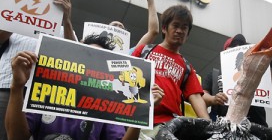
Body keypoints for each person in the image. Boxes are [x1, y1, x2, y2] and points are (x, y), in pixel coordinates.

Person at [5, 34, 164, 139]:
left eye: (98, 61)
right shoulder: (46, 92)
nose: (90, 65)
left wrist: (144, 111)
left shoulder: (109, 107)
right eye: (86, 56)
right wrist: (17, 87)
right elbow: (16, 137)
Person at [0, 0, 77, 140]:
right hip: (7, 84)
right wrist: (18, 15)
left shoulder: (62, 29)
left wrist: (66, 20)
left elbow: (74, 54)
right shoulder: (17, 20)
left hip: (43, 92)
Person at [131, 4, 210, 139]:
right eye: (176, 25)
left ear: (188, 34)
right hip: (137, 121)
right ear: (164, 28)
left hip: (170, 127)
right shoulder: (144, 50)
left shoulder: (187, 67)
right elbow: (124, 76)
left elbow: (196, 97)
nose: (180, 30)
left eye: (184, 27)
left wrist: (210, 128)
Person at [202, 34, 268, 126]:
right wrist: (214, 99)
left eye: (241, 46)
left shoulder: (257, 72)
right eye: (233, 46)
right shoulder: (214, 75)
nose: (238, 48)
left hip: (255, 127)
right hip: (223, 128)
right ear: (225, 52)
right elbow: (202, 95)